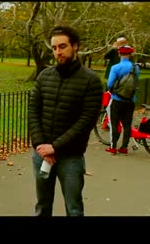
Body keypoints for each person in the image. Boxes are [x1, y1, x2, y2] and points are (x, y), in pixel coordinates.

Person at [28, 25, 103, 216]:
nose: (57, 52)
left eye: (62, 46)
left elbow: (86, 120)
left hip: (70, 157)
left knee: (74, 209)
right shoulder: (44, 76)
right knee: (42, 206)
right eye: (54, 48)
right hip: (42, 154)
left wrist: (55, 147)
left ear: (75, 46)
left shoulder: (91, 80)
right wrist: (41, 145)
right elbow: (33, 111)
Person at [105, 45, 140, 155]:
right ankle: (124, 147)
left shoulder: (115, 68)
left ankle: (113, 147)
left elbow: (110, 83)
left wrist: (112, 90)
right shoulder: (136, 68)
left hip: (117, 99)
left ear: (119, 54)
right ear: (130, 55)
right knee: (127, 124)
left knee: (114, 123)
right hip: (131, 100)